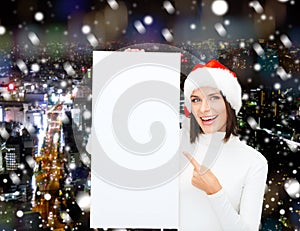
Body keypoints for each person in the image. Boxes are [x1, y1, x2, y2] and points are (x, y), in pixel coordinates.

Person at [179, 59, 268, 230]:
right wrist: (129, 63)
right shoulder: (177, 145)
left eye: (213, 98)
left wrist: (215, 191)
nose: (204, 109)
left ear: (230, 104)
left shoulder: (254, 162)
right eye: (196, 100)